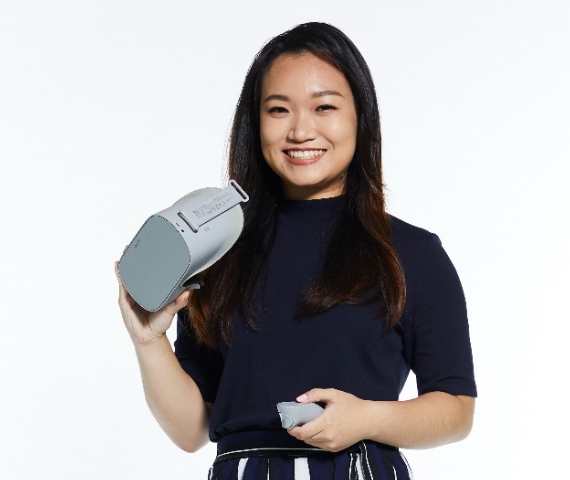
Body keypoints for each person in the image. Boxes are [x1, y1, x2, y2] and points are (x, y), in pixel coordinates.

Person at [115, 22, 477, 479]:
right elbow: (191, 430)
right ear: (255, 123)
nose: (301, 130)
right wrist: (148, 340)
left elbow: (456, 409)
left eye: (324, 106)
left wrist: (368, 418)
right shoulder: (220, 252)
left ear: (360, 117)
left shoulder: (412, 253)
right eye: (278, 110)